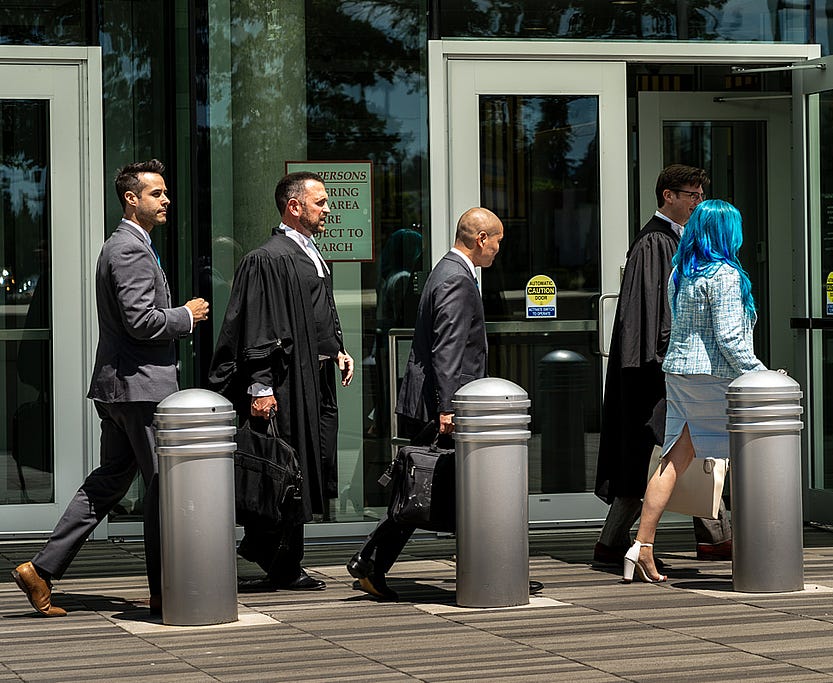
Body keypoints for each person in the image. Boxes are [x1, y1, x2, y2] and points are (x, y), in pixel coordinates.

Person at [11, 159, 209, 617]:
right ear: (131, 199)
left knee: (108, 483)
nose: (166, 201)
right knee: (164, 489)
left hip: (124, 388)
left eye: (164, 193)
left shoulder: (128, 246)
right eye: (156, 194)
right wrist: (186, 316)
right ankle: (167, 592)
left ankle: (41, 571)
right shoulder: (129, 250)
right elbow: (142, 322)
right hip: (140, 390)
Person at [347, 207, 504, 600]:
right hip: (446, 404)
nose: (499, 250)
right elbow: (447, 347)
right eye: (498, 240)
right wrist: (449, 407)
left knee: (426, 486)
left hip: (441, 399)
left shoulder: (447, 270)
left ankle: (373, 560)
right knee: (422, 487)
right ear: (481, 238)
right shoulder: (456, 279)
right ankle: (371, 562)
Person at [209, 171, 355, 591]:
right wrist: (260, 385)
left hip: (316, 376)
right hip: (285, 382)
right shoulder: (268, 258)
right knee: (286, 466)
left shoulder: (310, 253)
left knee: (307, 465)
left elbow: (318, 311)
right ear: (295, 207)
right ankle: (282, 561)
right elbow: (258, 324)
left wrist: (338, 350)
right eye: (321, 202)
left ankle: (273, 553)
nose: (328, 209)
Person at [594, 164, 732, 567]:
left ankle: (709, 536)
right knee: (662, 454)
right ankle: (614, 543)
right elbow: (652, 315)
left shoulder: (674, 240)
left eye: (700, 195)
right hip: (654, 372)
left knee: (674, 452)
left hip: (661, 368)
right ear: (668, 196)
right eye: (691, 194)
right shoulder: (654, 243)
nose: (697, 202)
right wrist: (663, 363)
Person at [622, 199, 767, 583]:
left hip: (680, 374)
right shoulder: (725, 275)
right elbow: (731, 338)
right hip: (716, 378)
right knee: (752, 456)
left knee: (673, 460)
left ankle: (642, 545)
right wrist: (764, 376)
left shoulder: (681, 272)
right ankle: (762, 548)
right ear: (727, 233)